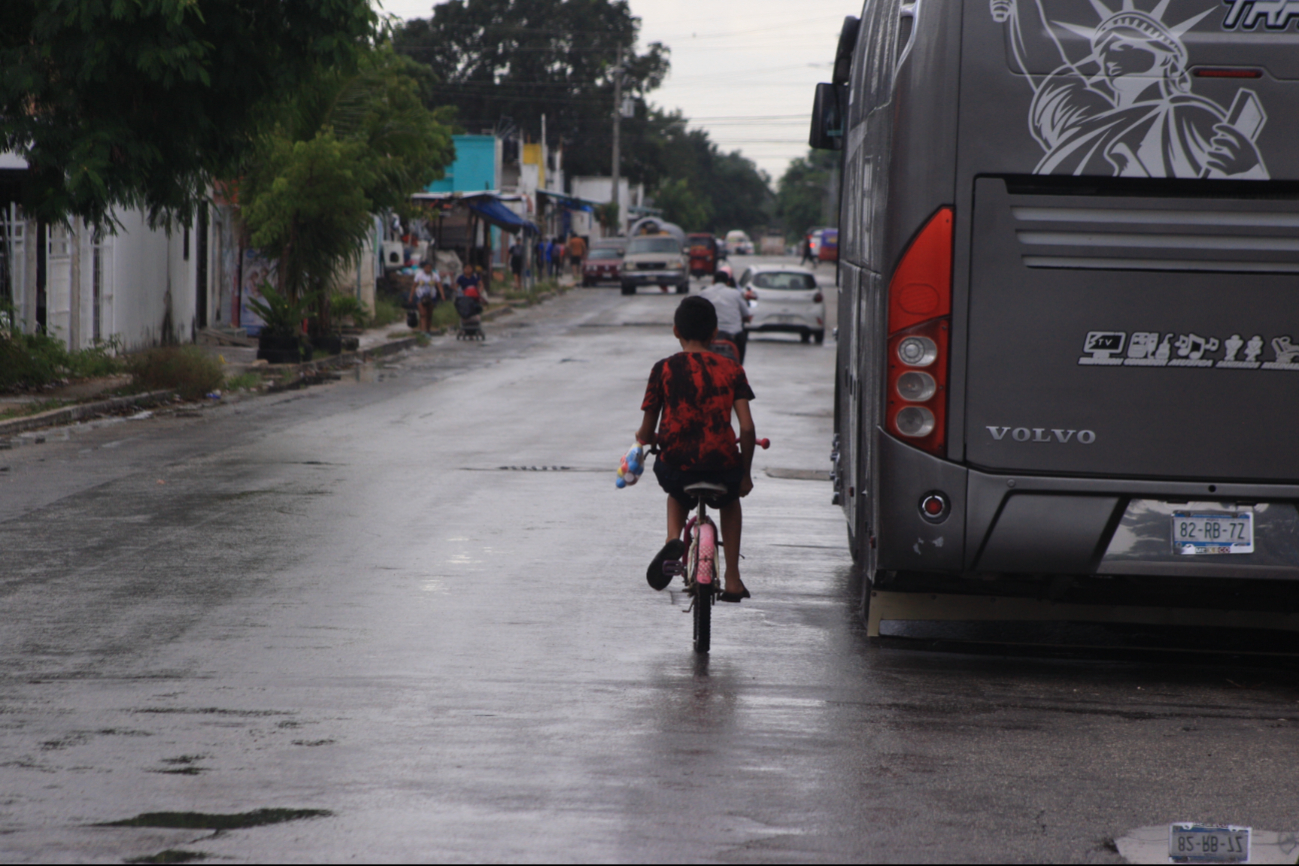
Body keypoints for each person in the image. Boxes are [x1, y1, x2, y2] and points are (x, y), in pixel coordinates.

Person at [637, 296, 757, 602]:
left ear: (676, 331)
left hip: (679, 466)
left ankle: (672, 541)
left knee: (676, 491)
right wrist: (745, 475)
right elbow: (746, 428)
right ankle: (732, 579)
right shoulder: (732, 369)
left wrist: (644, 439)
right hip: (723, 465)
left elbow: (647, 431)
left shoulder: (663, 369)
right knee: (730, 501)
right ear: (714, 333)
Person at [698, 271, 752, 364]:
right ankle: (739, 369)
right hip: (733, 334)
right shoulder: (736, 294)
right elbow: (746, 315)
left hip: (708, 335)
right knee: (742, 340)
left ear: (713, 281)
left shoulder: (703, 293)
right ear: (728, 282)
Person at [408, 260, 444, 334]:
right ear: (424, 267)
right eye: (426, 267)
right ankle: (422, 331)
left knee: (429, 315)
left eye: (429, 267)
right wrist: (411, 297)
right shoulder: (419, 275)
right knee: (423, 314)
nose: (428, 269)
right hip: (420, 296)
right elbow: (414, 286)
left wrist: (442, 295)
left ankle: (428, 330)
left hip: (431, 296)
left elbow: (439, 286)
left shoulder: (435, 275)